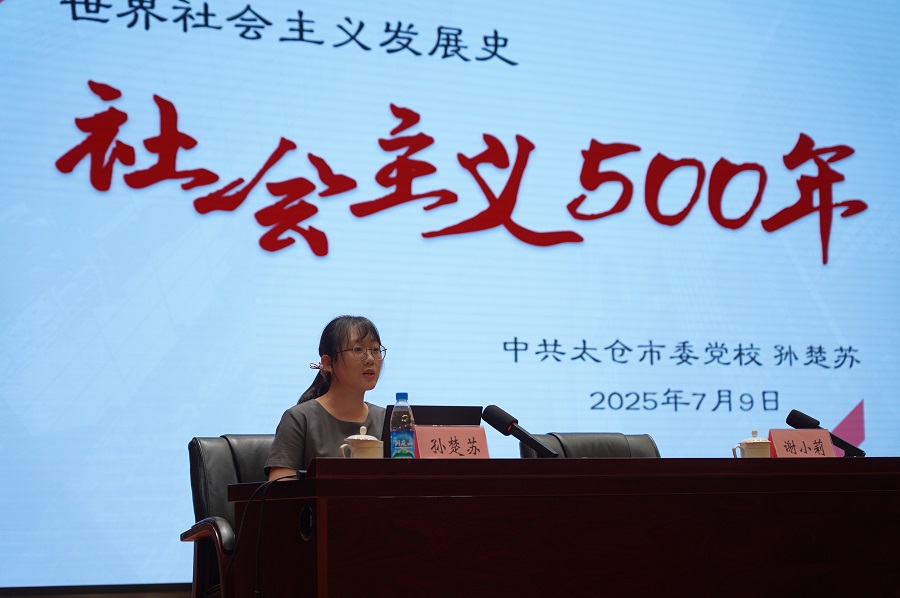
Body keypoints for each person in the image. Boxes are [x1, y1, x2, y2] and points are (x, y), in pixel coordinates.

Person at [265, 315, 387, 480]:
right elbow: (280, 486)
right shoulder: (299, 419)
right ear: (329, 363)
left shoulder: (387, 421)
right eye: (358, 349)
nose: (371, 359)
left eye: (375, 349)